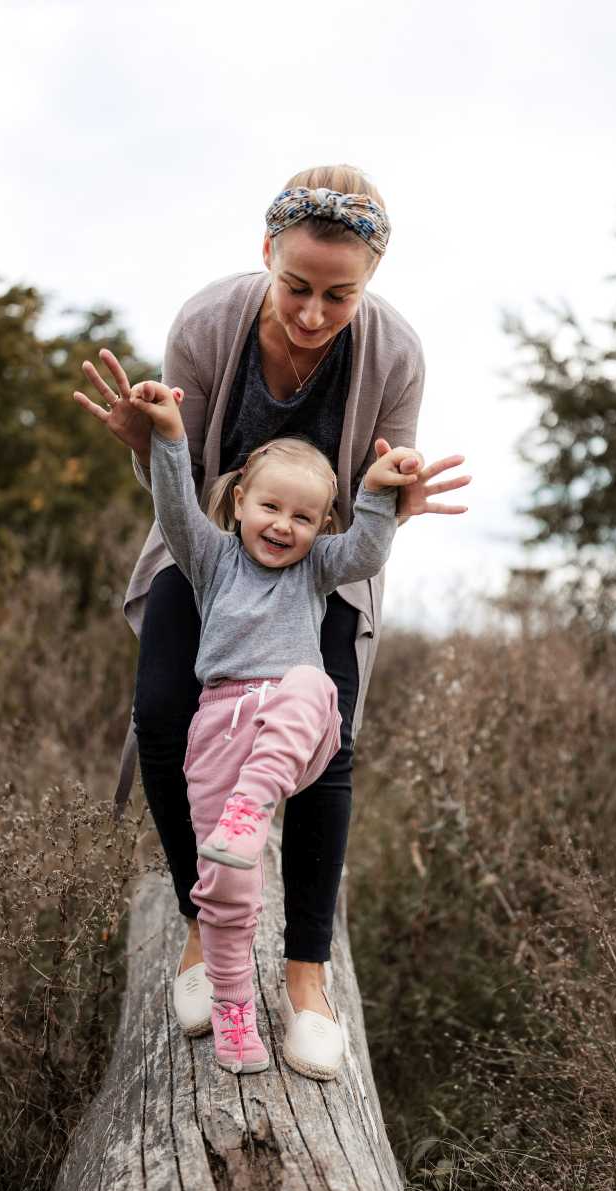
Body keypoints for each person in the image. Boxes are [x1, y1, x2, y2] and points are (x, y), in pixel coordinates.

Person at [74, 165, 470, 1079]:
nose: (312, 313)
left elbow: (381, 499)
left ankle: (305, 978)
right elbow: (177, 485)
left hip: (320, 564)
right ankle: (195, 925)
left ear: (371, 281)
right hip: (211, 544)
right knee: (165, 712)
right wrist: (149, 448)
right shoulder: (207, 325)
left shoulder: (396, 353)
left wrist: (393, 499)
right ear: (266, 254)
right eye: (297, 286)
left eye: (340, 294)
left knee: (331, 737)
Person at [125, 376, 429, 1074]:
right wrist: (171, 436)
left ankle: (251, 808)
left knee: (311, 683)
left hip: (295, 726)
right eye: (269, 506)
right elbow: (173, 506)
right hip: (219, 730)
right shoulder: (208, 559)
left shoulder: (318, 569)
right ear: (238, 503)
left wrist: (378, 493)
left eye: (303, 516)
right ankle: (235, 1015)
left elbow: (366, 554)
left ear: (321, 526)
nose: (283, 525)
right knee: (225, 893)